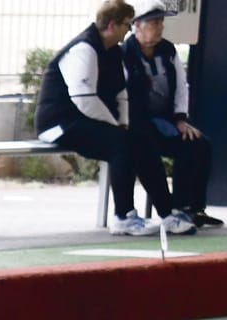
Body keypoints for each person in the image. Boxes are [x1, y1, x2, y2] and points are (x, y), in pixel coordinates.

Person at [34, 1, 187, 237]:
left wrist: (124, 122)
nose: (129, 30)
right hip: (59, 123)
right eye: (127, 25)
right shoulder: (84, 49)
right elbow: (84, 100)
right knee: (121, 143)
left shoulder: (114, 50)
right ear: (112, 25)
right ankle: (123, 217)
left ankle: (167, 214)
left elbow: (120, 92)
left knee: (142, 139)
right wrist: (115, 126)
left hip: (90, 120)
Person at [123, 6, 219, 228]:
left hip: (165, 119)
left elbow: (181, 87)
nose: (160, 28)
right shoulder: (125, 53)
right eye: (154, 23)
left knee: (198, 144)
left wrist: (180, 119)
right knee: (144, 148)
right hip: (138, 123)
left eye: (161, 23)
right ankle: (169, 211)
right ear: (137, 25)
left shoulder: (168, 50)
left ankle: (191, 208)